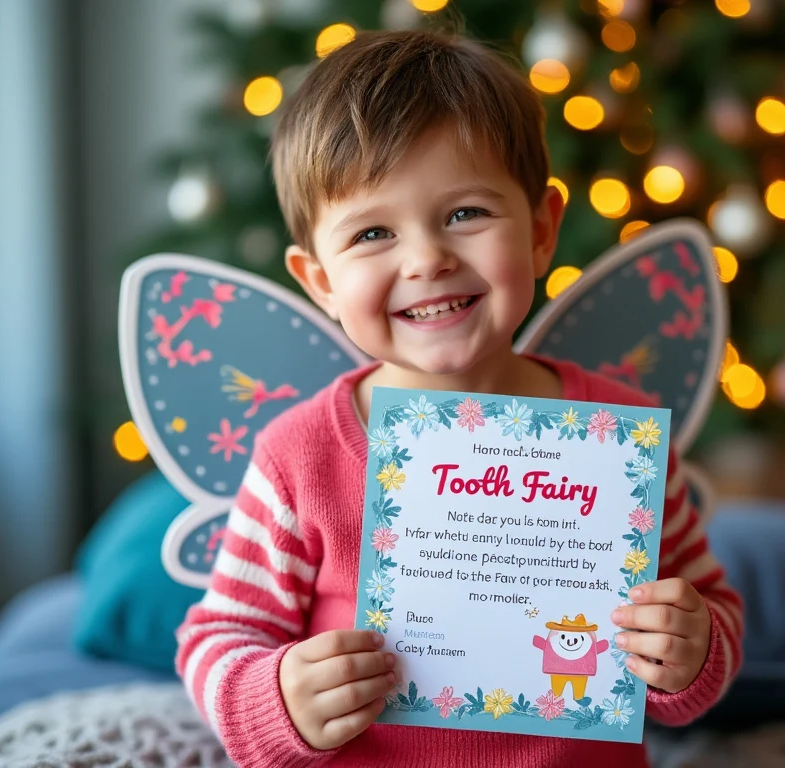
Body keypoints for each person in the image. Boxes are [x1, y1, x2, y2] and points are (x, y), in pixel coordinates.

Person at [176, 27, 743, 767]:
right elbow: (219, 637)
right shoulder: (298, 456)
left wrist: (690, 651)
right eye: (373, 232)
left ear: (541, 231)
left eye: (465, 214)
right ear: (319, 282)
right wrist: (277, 696)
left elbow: (711, 615)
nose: (427, 260)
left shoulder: (620, 436)